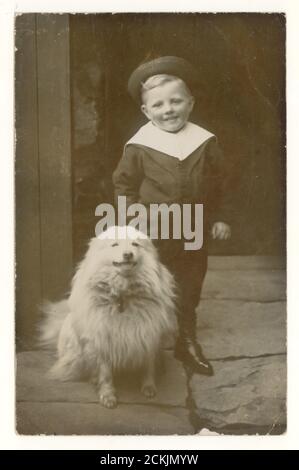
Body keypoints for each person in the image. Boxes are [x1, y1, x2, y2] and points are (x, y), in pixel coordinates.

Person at [112, 56, 231, 375]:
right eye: (159, 104)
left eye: (176, 101)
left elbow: (220, 182)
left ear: (190, 103)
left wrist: (219, 217)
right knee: (146, 281)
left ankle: (186, 340)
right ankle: (138, 341)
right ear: (146, 111)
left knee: (190, 283)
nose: (168, 110)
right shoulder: (140, 146)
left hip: (193, 228)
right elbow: (124, 184)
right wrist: (130, 223)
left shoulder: (204, 143)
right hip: (153, 227)